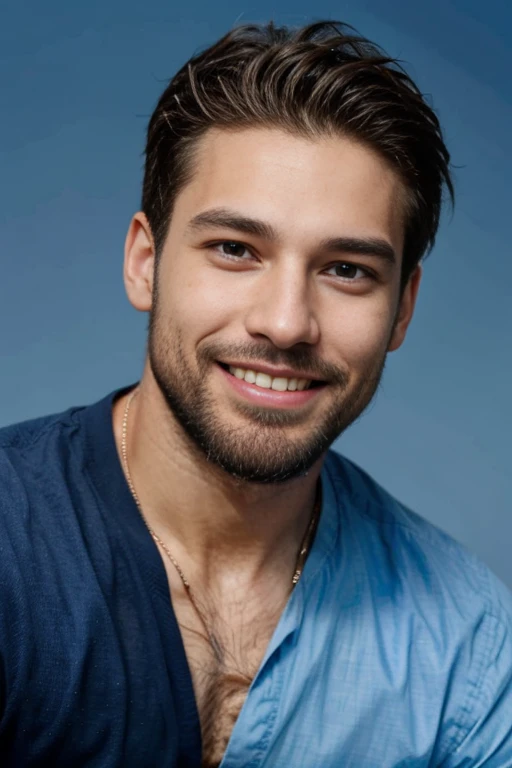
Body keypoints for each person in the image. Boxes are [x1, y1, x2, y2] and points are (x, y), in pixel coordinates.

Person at [1, 19, 511, 768]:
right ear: (145, 262)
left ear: (401, 308)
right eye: (235, 250)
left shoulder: (467, 646)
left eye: (347, 270)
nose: (285, 323)